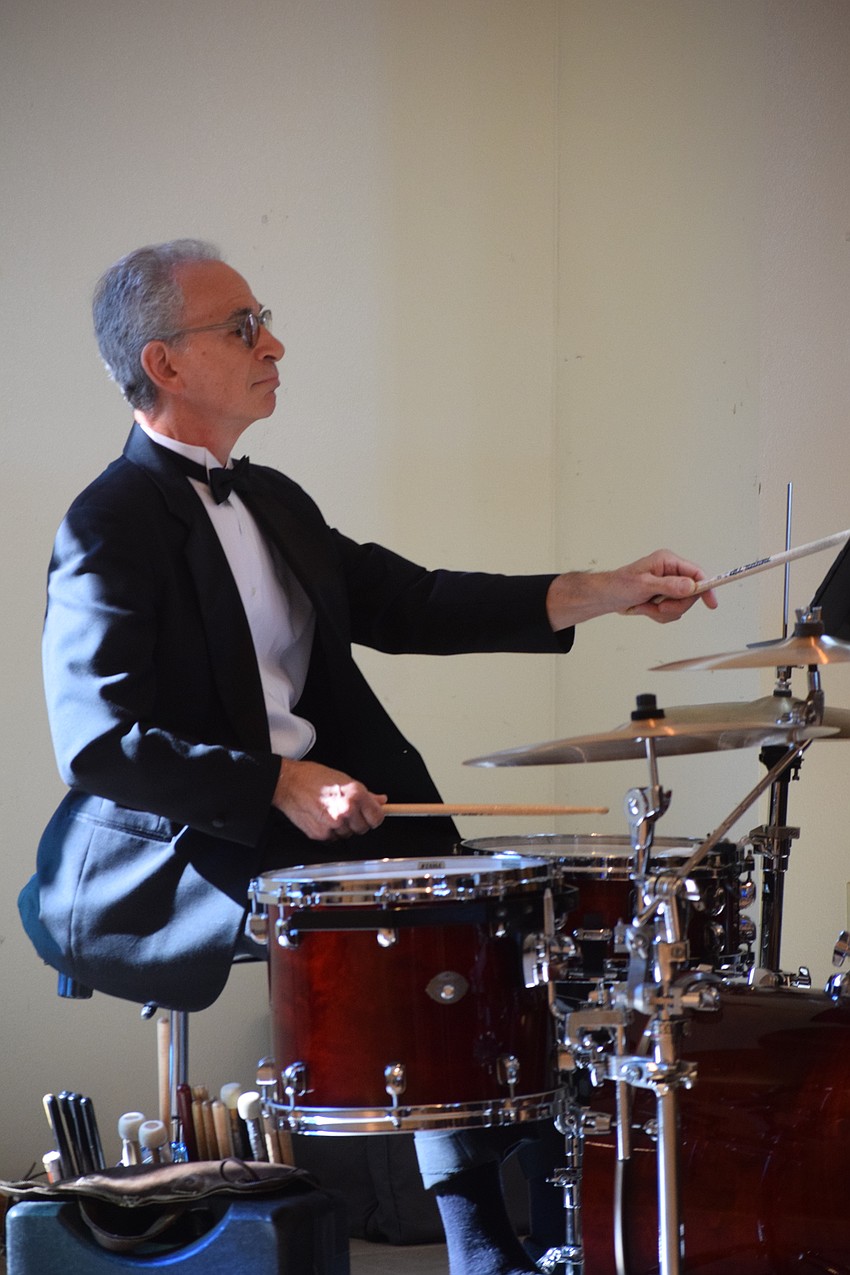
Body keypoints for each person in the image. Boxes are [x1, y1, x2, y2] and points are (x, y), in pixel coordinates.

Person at [18, 240, 717, 1275]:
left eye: (264, 321)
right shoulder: (107, 522)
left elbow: (411, 600)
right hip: (188, 842)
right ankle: (479, 1236)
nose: (275, 344)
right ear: (163, 363)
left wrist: (604, 588)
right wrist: (273, 782)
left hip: (317, 817)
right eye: (243, 327)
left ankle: (550, 1226)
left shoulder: (272, 501)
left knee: (500, 906)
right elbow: (99, 741)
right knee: (433, 920)